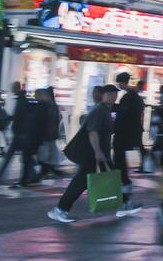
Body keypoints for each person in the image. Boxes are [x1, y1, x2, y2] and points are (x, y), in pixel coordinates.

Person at [49, 85, 139, 222]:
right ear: (103, 95)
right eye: (110, 94)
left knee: (111, 176)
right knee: (81, 182)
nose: (113, 96)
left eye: (115, 94)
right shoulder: (99, 110)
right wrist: (98, 152)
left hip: (99, 153)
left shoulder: (105, 109)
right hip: (92, 153)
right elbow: (93, 132)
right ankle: (60, 209)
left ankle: (125, 204)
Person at [112, 71, 146, 185]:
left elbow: (124, 114)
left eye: (119, 83)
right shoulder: (134, 96)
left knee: (119, 156)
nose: (118, 86)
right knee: (120, 156)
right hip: (130, 130)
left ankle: (123, 180)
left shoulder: (129, 96)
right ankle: (123, 179)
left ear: (122, 82)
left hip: (124, 131)